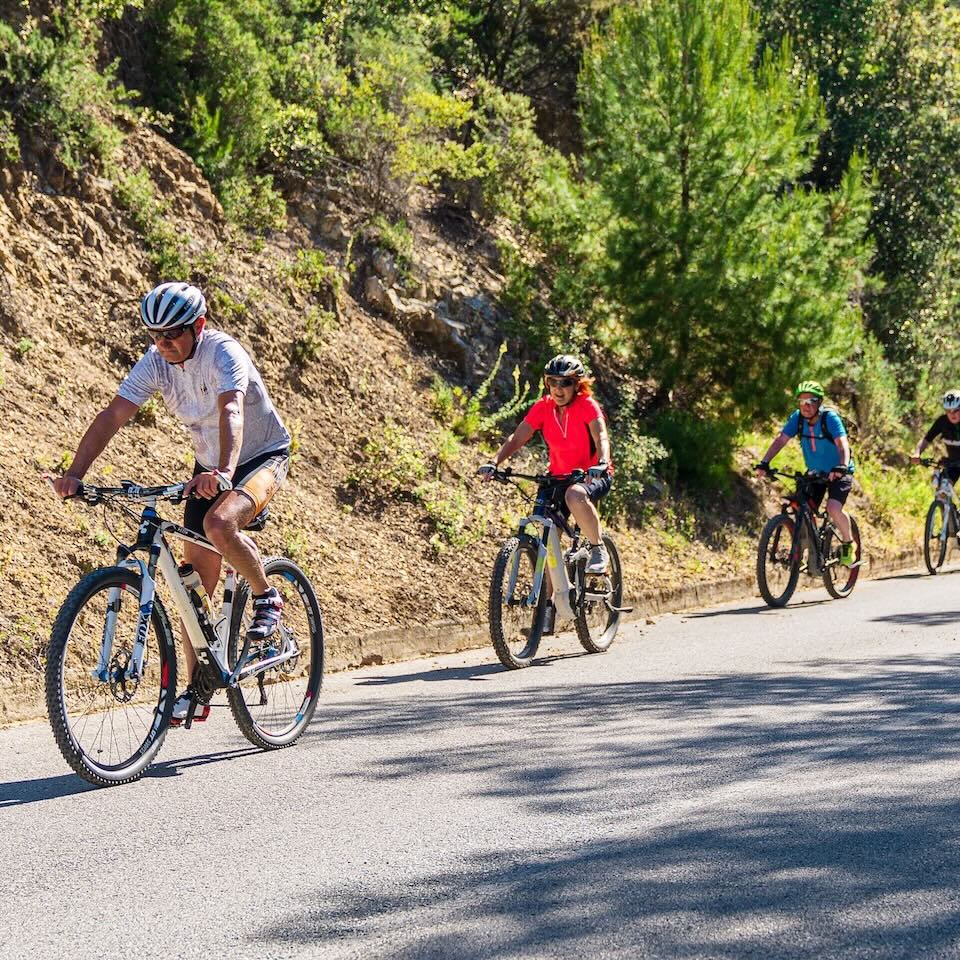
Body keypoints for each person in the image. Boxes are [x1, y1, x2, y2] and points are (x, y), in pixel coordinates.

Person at [52, 281, 291, 724]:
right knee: (190, 589)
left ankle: (267, 596)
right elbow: (112, 416)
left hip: (258, 457)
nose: (163, 344)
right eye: (154, 336)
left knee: (220, 526)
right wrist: (75, 475)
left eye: (172, 335)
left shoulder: (223, 354)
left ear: (198, 326)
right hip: (209, 468)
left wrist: (222, 471)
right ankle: (199, 686)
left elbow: (231, 413)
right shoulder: (157, 362)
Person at [479, 354, 614, 585]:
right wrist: (494, 462)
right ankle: (547, 610)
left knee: (575, 494)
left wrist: (601, 462)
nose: (558, 389)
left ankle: (597, 548)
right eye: (553, 381)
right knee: (546, 540)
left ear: (577, 385)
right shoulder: (543, 407)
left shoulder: (586, 406)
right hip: (557, 477)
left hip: (591, 475)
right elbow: (517, 438)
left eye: (566, 383)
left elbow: (600, 435)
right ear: (546, 382)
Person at [755, 379, 856, 566]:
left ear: (819, 402)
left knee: (833, 509)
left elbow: (842, 444)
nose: (805, 406)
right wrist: (765, 462)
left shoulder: (830, 418)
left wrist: (841, 466)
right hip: (816, 473)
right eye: (801, 402)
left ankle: (849, 544)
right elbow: (781, 440)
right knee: (800, 505)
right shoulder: (798, 419)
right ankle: (809, 548)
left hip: (839, 471)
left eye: (810, 401)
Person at [910, 389, 960, 482]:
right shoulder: (942, 421)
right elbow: (927, 439)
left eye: (956, 410)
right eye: (948, 410)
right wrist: (917, 453)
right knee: (942, 487)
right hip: (952, 463)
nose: (952, 414)